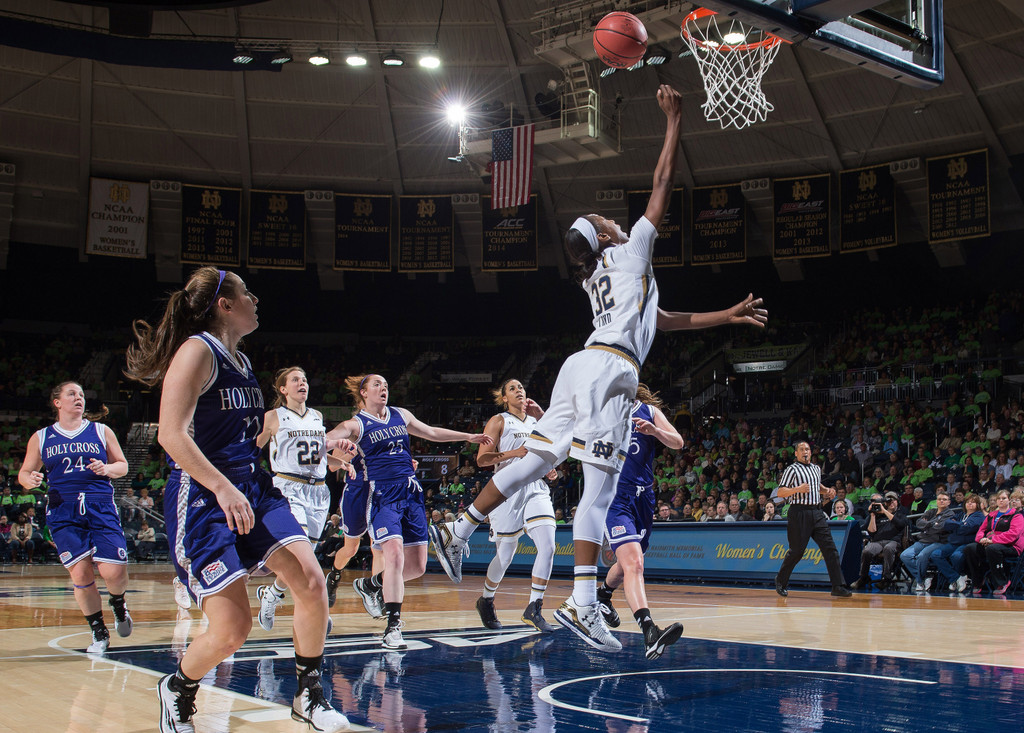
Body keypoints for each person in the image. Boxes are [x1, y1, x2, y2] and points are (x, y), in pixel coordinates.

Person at [428, 84, 767, 654]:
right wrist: (674, 122)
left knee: (539, 458)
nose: (614, 217)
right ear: (608, 235)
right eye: (605, 218)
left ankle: (458, 528)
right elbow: (662, 184)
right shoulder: (631, 248)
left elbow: (666, 319)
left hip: (580, 363)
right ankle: (584, 603)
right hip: (613, 371)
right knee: (598, 486)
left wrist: (726, 316)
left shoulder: (598, 278)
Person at [125, 267, 351, 733]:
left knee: (311, 580)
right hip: (205, 498)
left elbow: (250, 440)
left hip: (252, 485)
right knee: (232, 631)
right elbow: (171, 435)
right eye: (246, 294)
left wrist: (327, 461)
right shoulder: (196, 351)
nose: (255, 300)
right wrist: (222, 487)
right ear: (225, 305)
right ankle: (178, 689)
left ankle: (309, 695)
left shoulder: (243, 362)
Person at [323, 374, 491, 650]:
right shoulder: (355, 424)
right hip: (381, 495)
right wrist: (332, 446)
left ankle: (371, 585)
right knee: (393, 554)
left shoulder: (400, 414)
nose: (383, 388)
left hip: (411, 493)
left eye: (386, 384)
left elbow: (431, 432)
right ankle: (393, 626)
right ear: (364, 393)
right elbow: (326, 441)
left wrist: (468, 436)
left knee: (417, 567)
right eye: (377, 384)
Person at [17, 382, 132, 652]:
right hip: (62, 508)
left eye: (81, 395)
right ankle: (98, 632)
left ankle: (118, 603)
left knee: (113, 572)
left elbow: (123, 466)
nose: (78, 398)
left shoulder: (101, 431)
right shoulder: (42, 437)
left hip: (99, 504)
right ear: (57, 402)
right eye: (72, 394)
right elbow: (24, 474)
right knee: (80, 572)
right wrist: (30, 480)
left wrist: (106, 468)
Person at [595, 384, 685, 659]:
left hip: (644, 498)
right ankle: (649, 631)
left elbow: (678, 443)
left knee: (625, 566)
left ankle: (603, 597)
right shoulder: (604, 415)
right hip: (616, 500)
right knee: (635, 563)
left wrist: (655, 431)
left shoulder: (649, 411)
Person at [254, 366, 339, 634]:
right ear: (283, 389)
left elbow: (316, 455)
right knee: (302, 556)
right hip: (288, 487)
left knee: (303, 558)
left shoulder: (317, 416)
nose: (302, 383)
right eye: (295, 380)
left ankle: (272, 593)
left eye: (304, 379)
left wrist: (340, 462)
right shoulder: (272, 417)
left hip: (318, 491)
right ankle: (317, 610)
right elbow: (250, 449)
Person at [473, 378, 558, 634]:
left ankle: (534, 607)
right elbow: (481, 459)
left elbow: (550, 448)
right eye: (512, 388)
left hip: (535, 488)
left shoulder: (536, 421)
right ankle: (486, 599)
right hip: (506, 488)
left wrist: (549, 468)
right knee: (506, 554)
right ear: (504, 398)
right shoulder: (499, 420)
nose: (519, 390)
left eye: (521, 387)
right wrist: (512, 453)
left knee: (549, 545)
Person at [773, 441, 852, 598]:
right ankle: (780, 580)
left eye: (807, 449)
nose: (805, 452)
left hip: (817, 512)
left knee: (830, 549)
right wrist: (797, 489)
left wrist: (827, 491)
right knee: (797, 551)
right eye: (801, 449)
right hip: (798, 513)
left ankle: (837, 585)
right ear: (796, 453)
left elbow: (817, 486)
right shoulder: (792, 469)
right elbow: (780, 492)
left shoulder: (816, 468)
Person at [962, 489, 1024, 595]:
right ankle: (978, 580)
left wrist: (992, 540)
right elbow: (981, 530)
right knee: (970, 548)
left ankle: (1002, 582)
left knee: (992, 549)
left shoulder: (1016, 515)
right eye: (998, 499)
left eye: (1003, 498)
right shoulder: (991, 515)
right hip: (991, 543)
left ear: (1009, 500)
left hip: (1011, 546)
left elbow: (1013, 534)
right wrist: (981, 539)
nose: (1001, 501)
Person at [929, 492, 985, 592]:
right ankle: (956, 578)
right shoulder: (961, 515)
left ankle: (957, 578)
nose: (970, 504)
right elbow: (947, 524)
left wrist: (957, 526)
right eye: (968, 502)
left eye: (973, 502)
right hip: (953, 542)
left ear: (977, 505)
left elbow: (968, 528)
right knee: (935, 554)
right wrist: (961, 525)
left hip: (966, 543)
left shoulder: (979, 516)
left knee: (956, 556)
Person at [899, 492, 955, 591]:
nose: (941, 501)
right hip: (923, 540)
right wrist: (932, 523)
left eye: (944, 499)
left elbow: (940, 528)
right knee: (905, 555)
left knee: (921, 556)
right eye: (939, 499)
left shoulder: (950, 514)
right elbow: (918, 523)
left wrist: (927, 525)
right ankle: (926, 576)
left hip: (938, 542)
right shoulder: (931, 511)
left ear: (949, 502)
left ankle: (920, 582)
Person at [851, 492, 907, 589]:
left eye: (893, 500)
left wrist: (885, 511)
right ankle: (863, 577)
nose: (891, 503)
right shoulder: (878, 516)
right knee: (867, 551)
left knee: (888, 548)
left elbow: (900, 524)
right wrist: (872, 515)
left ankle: (887, 578)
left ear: (897, 502)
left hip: (893, 541)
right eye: (889, 501)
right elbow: (871, 532)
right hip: (878, 541)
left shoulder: (901, 515)